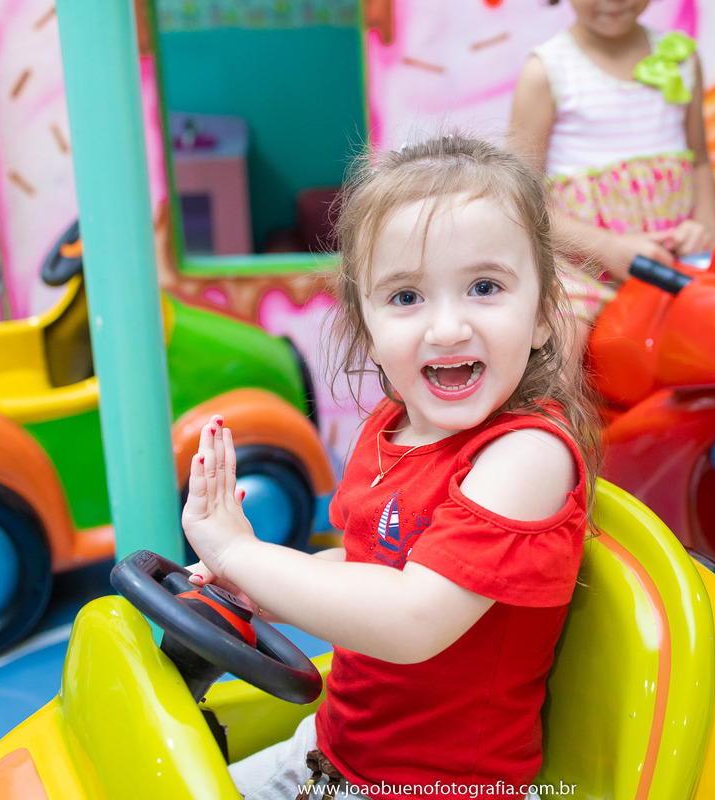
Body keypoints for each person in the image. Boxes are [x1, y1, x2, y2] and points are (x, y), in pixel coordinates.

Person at [181, 134, 599, 800]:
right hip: (334, 749)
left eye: (484, 287)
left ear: (545, 316)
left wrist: (238, 551)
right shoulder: (390, 429)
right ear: (368, 327)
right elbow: (367, 567)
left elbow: (412, 620)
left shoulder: (526, 455)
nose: (447, 328)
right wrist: (258, 584)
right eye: (406, 297)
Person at [508, 0, 715, 339]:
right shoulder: (546, 71)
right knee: (567, 338)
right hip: (581, 268)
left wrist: (704, 228)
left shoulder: (682, 58)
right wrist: (608, 247)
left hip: (671, 261)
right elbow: (521, 195)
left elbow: (700, 161)